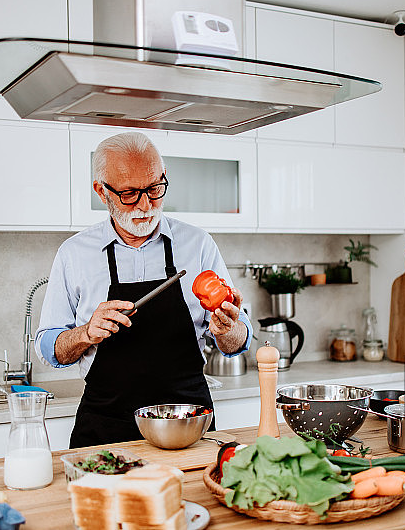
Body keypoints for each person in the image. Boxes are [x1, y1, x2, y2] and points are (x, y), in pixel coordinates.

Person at [35, 131, 252, 448]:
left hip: (187, 425)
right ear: (101, 191)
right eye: (129, 194)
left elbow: (238, 339)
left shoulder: (198, 244)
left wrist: (228, 331)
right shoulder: (74, 253)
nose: (146, 204)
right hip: (105, 429)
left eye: (154, 188)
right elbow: (47, 347)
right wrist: (85, 333)